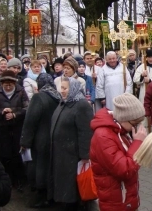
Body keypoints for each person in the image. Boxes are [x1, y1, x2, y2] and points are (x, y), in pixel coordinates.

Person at [90, 93, 147, 211]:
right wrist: (137, 143)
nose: (136, 128)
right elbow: (124, 170)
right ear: (123, 118)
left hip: (122, 198)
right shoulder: (104, 136)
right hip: (115, 202)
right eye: (135, 124)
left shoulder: (119, 131)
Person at [49, 77, 93, 211]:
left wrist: (85, 155)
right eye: (61, 88)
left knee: (72, 186)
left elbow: (86, 131)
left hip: (72, 155)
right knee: (64, 184)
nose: (62, 91)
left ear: (73, 88)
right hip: (61, 153)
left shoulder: (81, 105)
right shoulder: (64, 102)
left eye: (65, 88)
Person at [20, 73, 61, 208]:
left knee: (40, 168)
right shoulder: (58, 96)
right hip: (55, 138)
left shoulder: (38, 98)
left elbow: (30, 121)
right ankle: (53, 195)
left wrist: (25, 142)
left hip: (40, 139)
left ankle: (42, 197)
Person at [0, 70, 29, 191]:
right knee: (5, 155)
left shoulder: (21, 92)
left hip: (17, 128)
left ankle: (20, 180)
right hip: (2, 130)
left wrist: (15, 114)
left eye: (11, 83)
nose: (8, 85)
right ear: (2, 83)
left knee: (18, 155)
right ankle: (8, 180)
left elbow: (27, 108)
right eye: (6, 83)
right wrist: (1, 112)